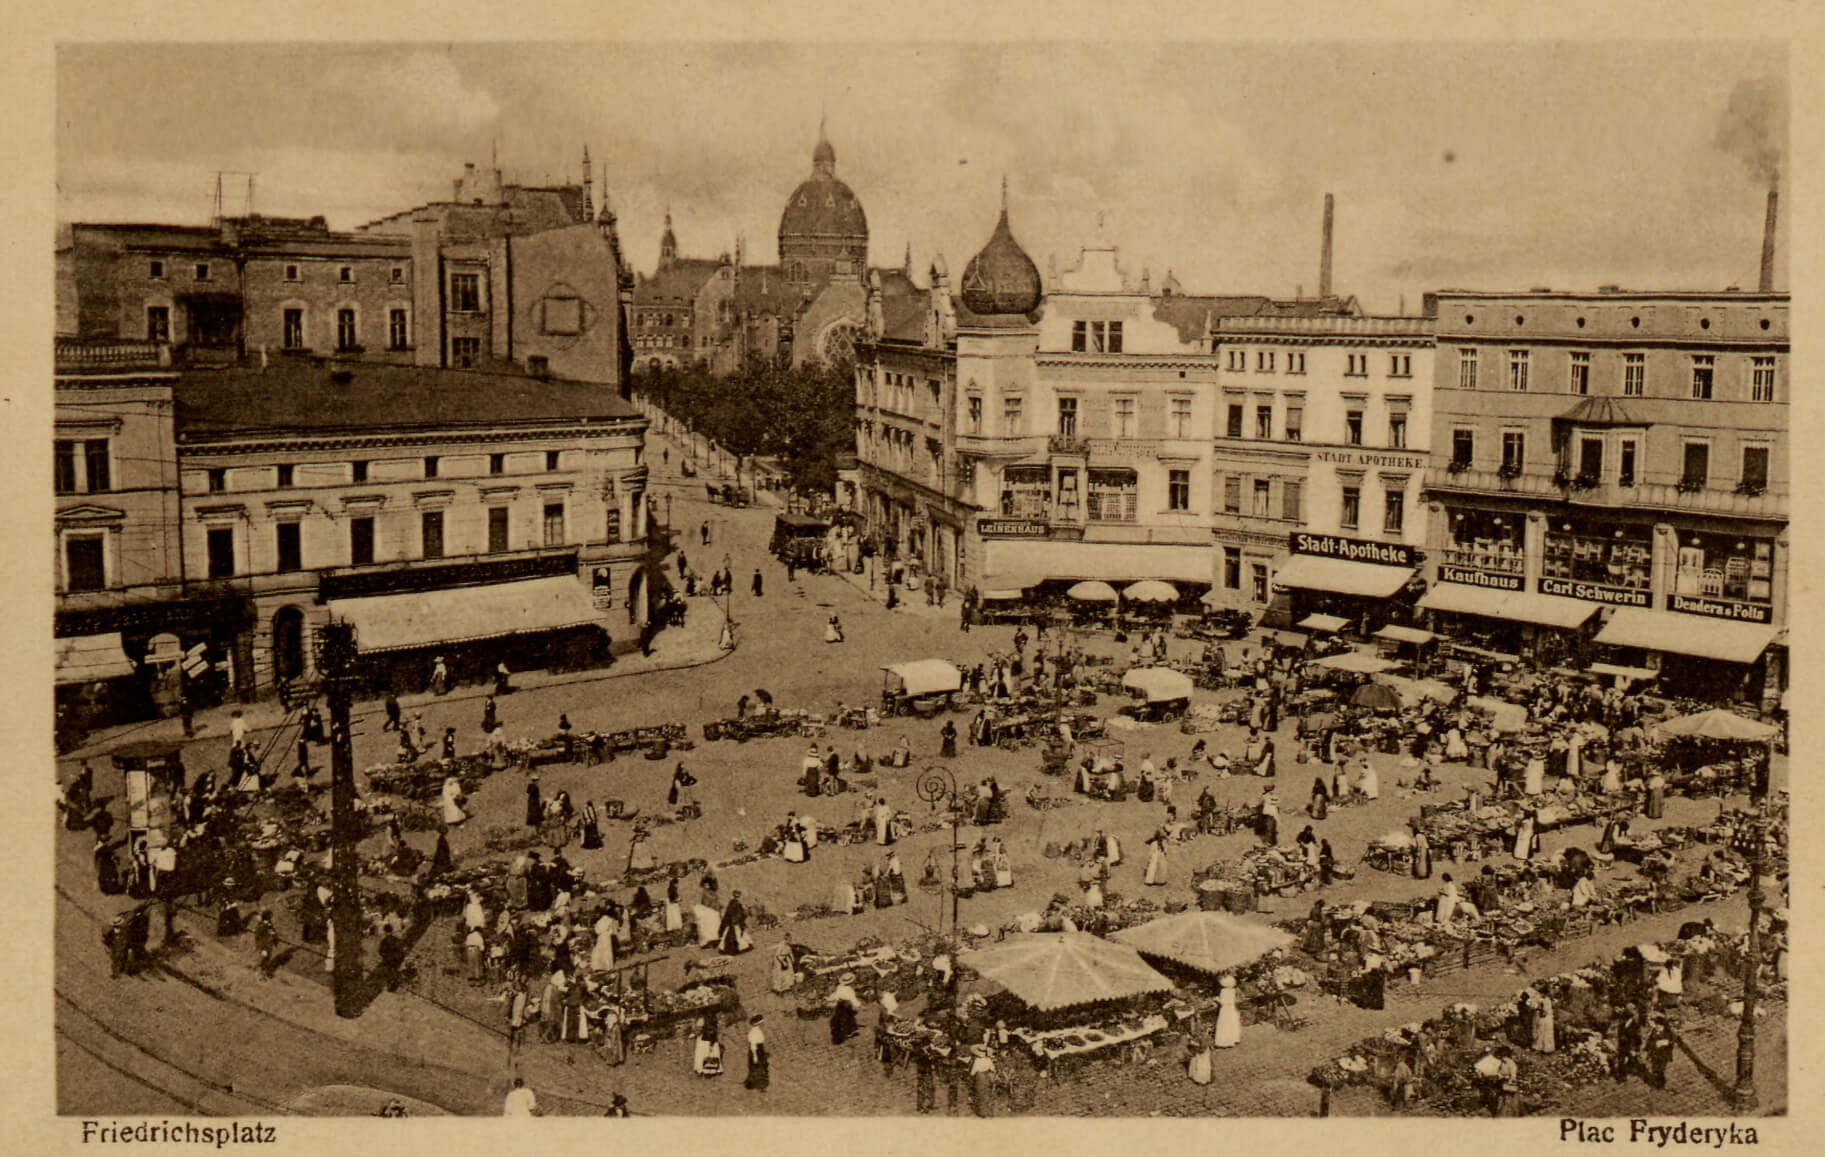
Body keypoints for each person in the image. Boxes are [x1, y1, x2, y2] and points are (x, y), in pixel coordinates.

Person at [830, 972, 861, 1044]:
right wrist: (857, 1004)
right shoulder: (849, 990)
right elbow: (853, 999)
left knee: (839, 1018)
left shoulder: (839, 987)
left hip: (839, 1004)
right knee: (848, 1018)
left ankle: (840, 1033)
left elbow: (836, 995)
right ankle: (848, 1032)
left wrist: (831, 999)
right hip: (846, 1005)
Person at [1213, 975, 1242, 1048]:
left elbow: (1223, 1002)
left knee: (1224, 1024)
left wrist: (1216, 999)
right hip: (1232, 1008)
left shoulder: (1223, 991)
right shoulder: (1233, 990)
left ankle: (1224, 1042)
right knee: (1232, 1023)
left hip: (1225, 1009)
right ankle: (1234, 1039)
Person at [968, 1045, 996, 1117]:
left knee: (980, 1094)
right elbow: (993, 1069)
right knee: (987, 1094)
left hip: (979, 1077)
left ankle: (983, 1112)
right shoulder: (988, 1060)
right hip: (987, 1077)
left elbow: (973, 1072)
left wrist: (971, 1076)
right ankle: (989, 1112)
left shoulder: (977, 1060)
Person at [744, 1013, 770, 1091]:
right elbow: (753, 1045)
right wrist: (755, 1056)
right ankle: (757, 1083)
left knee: (762, 1066)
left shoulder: (758, 1030)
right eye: (761, 1023)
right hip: (756, 1051)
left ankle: (760, 1083)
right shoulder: (753, 1033)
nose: (762, 1024)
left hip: (760, 1050)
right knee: (757, 1067)